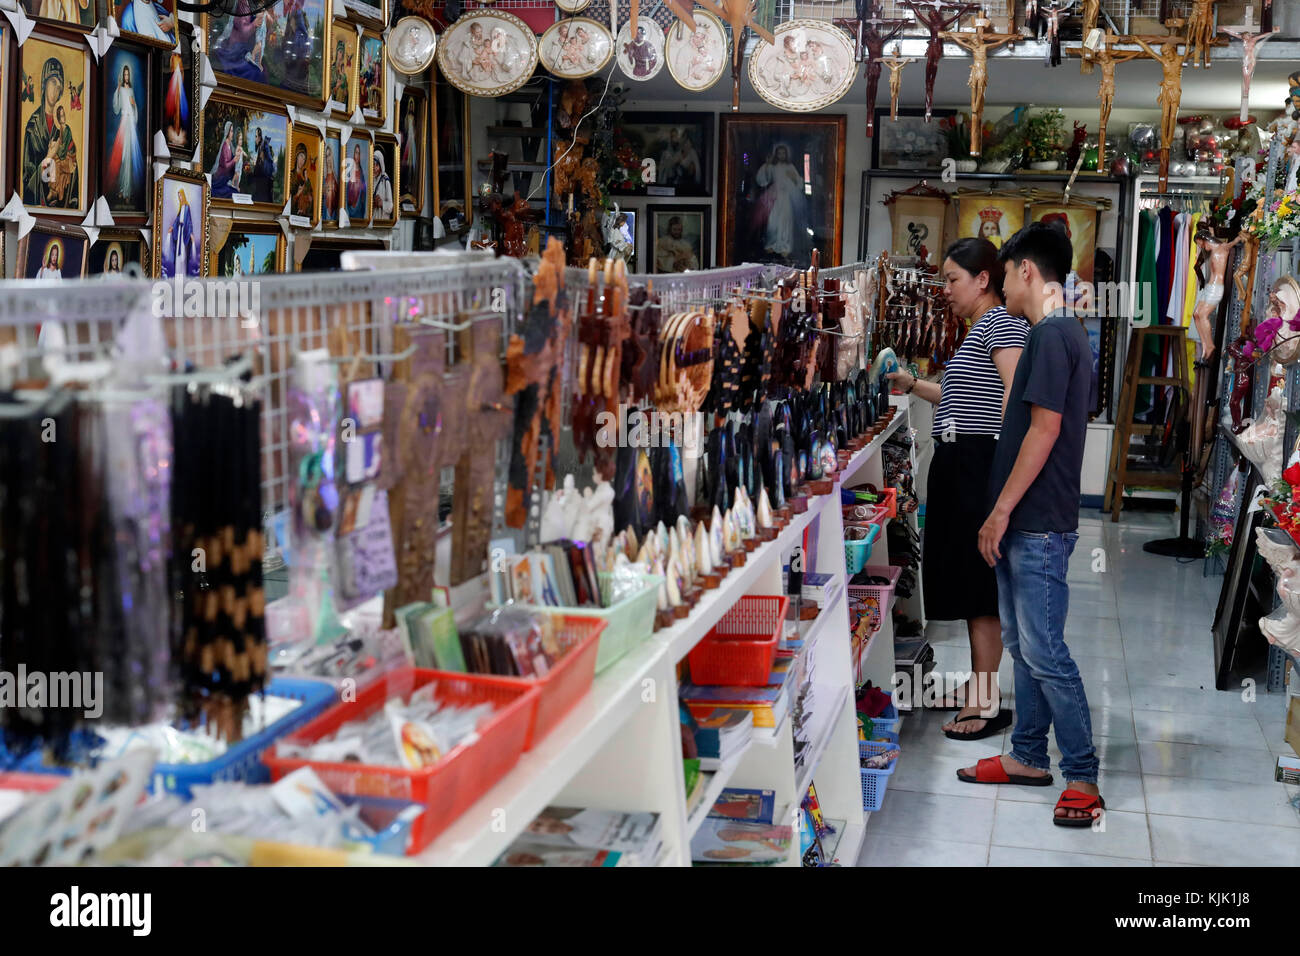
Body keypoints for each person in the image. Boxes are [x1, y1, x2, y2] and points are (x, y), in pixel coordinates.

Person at [958, 222, 1103, 827]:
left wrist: (999, 511)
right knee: (1022, 644)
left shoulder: (1050, 334)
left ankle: (1083, 774)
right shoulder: (1061, 332)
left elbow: (1043, 433)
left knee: (1046, 651)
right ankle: (1026, 755)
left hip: (1038, 520)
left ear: (1026, 271)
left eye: (1010, 270)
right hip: (1032, 518)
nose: (1007, 290)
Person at [888, 238, 1028, 738]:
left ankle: (985, 702)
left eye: (952, 280)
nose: (945, 290)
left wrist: (1001, 476)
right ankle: (978, 687)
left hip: (977, 464)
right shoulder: (980, 330)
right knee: (966, 583)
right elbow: (956, 392)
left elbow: (1015, 396)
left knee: (978, 587)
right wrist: (909, 382)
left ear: (983, 280)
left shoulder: (1002, 325)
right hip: (959, 461)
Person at [23, 57, 77, 209]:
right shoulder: (33, 126)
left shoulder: (63, 129)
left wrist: (70, 161)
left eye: (59, 87)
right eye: (53, 82)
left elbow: (74, 171)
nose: (56, 89)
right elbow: (26, 181)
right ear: (44, 84)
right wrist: (48, 157)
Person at [752, 144, 803, 261]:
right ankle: (772, 244)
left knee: (785, 221)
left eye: (783, 153)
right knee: (773, 221)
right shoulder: (772, 166)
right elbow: (763, 180)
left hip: (785, 197)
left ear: (786, 154)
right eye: (779, 153)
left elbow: (799, 182)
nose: (781, 155)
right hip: (774, 196)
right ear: (776, 154)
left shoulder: (790, 166)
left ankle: (785, 246)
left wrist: (793, 178)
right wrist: (767, 164)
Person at [107, 62, 144, 207]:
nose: (126, 76)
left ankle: (127, 191)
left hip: (130, 126)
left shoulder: (131, 90)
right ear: (123, 76)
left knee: (129, 157)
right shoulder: (121, 89)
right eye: (125, 74)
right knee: (122, 157)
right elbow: (116, 107)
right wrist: (117, 89)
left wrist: (134, 105)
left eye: (128, 75)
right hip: (123, 123)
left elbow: (134, 108)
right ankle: (122, 188)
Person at [372, 151, 393, 220]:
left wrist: (381, 203)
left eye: (377, 165)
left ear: (381, 166)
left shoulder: (385, 180)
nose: (374, 168)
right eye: (373, 165)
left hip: (382, 221)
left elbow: (390, 207)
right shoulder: (369, 179)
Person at [322, 143, 339, 221]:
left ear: (332, 156)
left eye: (329, 155)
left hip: (334, 214)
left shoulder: (336, 177)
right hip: (325, 213)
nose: (328, 159)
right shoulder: (323, 178)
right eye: (326, 156)